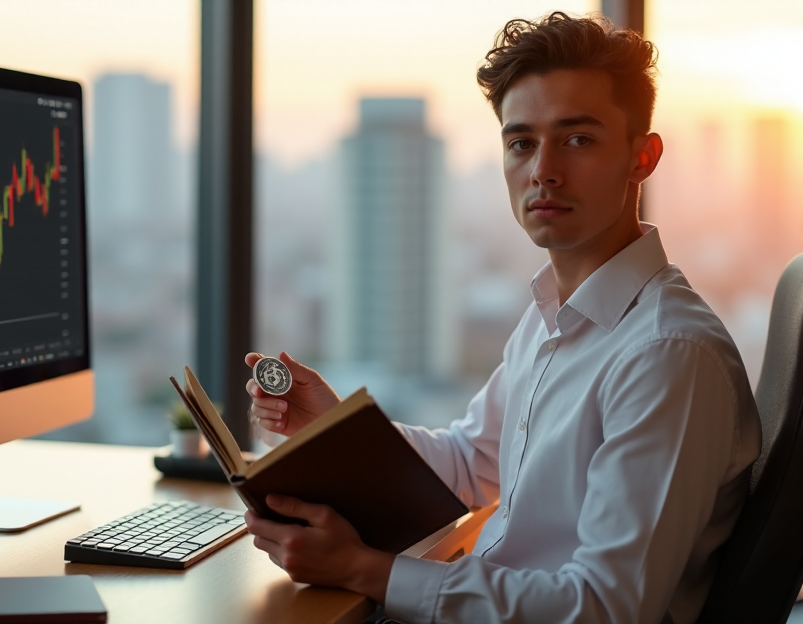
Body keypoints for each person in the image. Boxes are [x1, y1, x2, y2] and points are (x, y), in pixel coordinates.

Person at [242, 11, 761, 624]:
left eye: (578, 139)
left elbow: (605, 610)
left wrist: (365, 571)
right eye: (521, 143)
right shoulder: (553, 315)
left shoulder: (666, 353)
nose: (542, 169)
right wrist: (334, 428)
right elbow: (472, 463)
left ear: (641, 158)